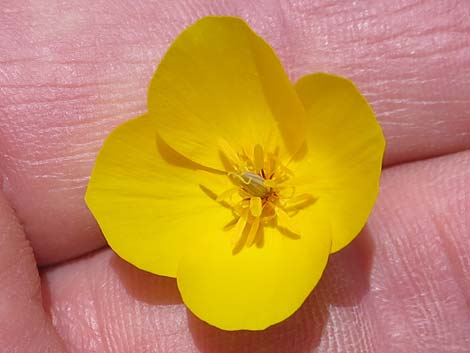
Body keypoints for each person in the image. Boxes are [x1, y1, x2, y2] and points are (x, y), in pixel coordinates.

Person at [0, 1, 469, 352]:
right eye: (251, 182)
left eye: (256, 182)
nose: (253, 183)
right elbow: (125, 192)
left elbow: (355, 150)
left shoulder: (342, 144)